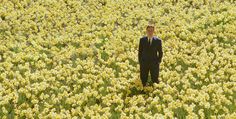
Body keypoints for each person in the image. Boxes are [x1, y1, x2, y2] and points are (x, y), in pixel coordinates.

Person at [138, 22, 163, 88]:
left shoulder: (158, 41)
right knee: (143, 79)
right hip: (144, 63)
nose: (150, 32)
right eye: (149, 31)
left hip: (154, 64)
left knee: (155, 79)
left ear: (154, 31)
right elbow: (140, 52)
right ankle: (143, 91)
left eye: (151, 31)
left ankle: (155, 92)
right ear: (146, 31)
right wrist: (140, 62)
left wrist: (158, 62)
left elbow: (160, 52)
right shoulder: (142, 40)